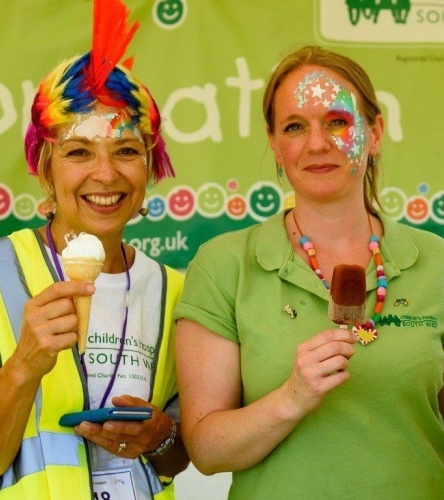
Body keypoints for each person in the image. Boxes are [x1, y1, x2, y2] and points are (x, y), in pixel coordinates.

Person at [174, 45, 444, 499]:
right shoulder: (223, 265)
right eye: (295, 126)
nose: (317, 144)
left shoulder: (435, 261)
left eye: (337, 122)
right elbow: (206, 449)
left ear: (373, 132)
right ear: (275, 144)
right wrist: (291, 398)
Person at [0, 0, 189, 498]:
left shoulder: (176, 292)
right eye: (79, 152)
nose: (106, 174)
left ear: (150, 166)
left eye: (126, 151)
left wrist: (159, 436)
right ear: (45, 169)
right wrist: (24, 366)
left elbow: (179, 456)